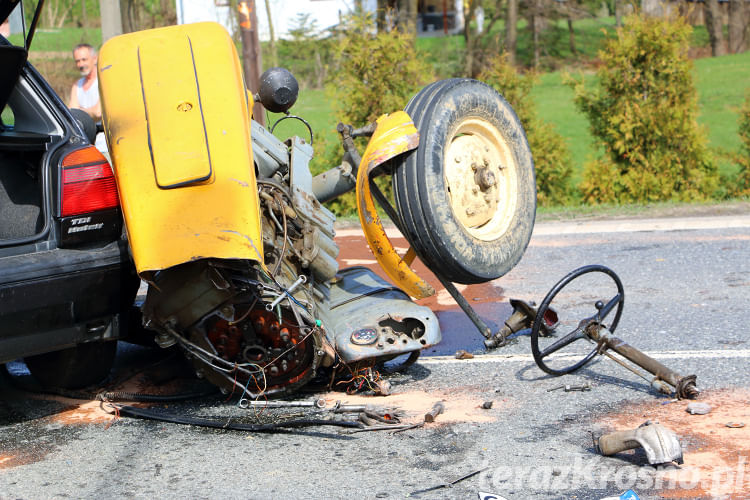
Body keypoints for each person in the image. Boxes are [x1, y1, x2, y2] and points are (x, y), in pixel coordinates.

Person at [68, 43, 101, 121]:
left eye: (84, 60)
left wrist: (79, 111)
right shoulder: (77, 86)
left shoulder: (103, 81)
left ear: (95, 59)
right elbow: (71, 114)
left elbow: (98, 112)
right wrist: (89, 111)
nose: (81, 64)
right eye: (77, 61)